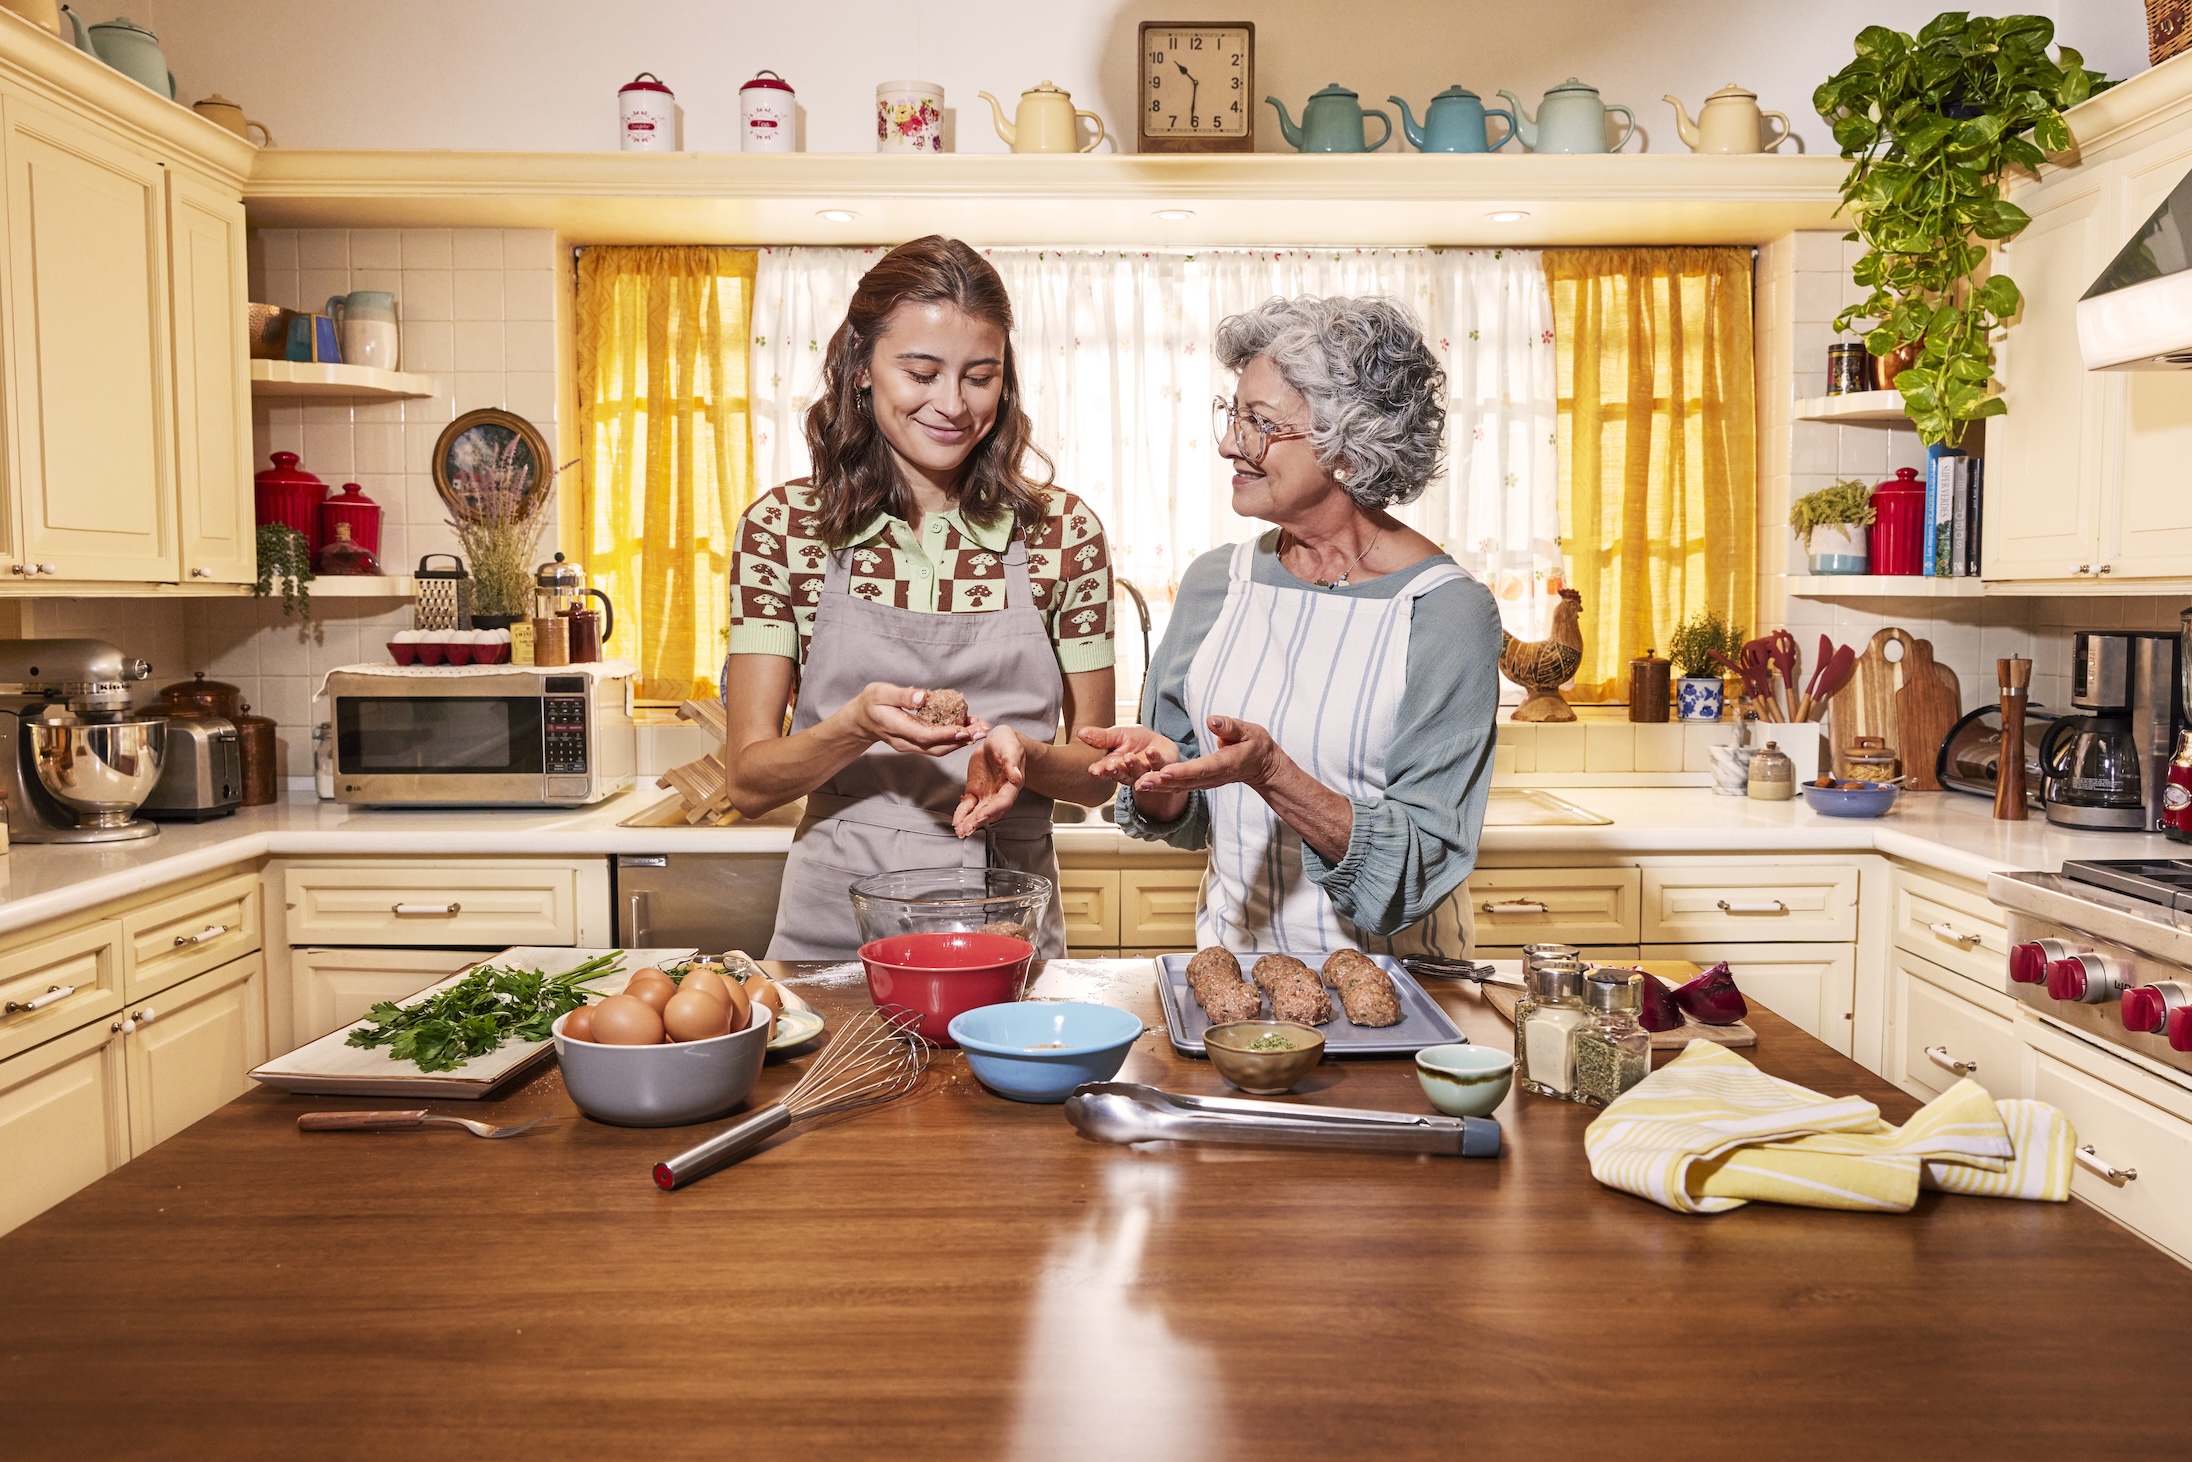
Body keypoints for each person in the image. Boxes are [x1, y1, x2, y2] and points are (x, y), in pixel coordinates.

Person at [723, 236, 1118, 959]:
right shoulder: (784, 530)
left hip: (1007, 924)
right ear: (861, 370)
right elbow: (748, 782)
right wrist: (856, 726)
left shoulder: (1063, 533)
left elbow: (1095, 782)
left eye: (980, 376)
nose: (952, 404)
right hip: (834, 932)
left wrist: (1023, 757)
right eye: (922, 372)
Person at [1083, 296, 1502, 955]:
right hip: (1235, 983)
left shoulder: (1446, 611)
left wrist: (1273, 772)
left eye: (1260, 424)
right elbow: (1194, 816)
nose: (1228, 444)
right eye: (1232, 415)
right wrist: (1162, 778)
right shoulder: (1215, 583)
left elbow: (1422, 860)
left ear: (1348, 446)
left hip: (1400, 988)